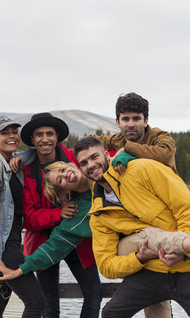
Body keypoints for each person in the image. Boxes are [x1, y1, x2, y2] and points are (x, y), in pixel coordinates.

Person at [0, 159, 190, 283]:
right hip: (139, 245)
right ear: (63, 192)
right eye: (60, 180)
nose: (65, 175)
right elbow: (51, 248)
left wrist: (124, 155)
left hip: (169, 228)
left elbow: (114, 148)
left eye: (62, 169)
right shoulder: (75, 215)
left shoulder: (104, 172)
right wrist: (19, 270)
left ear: (70, 164)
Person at [72, 136, 190, 318]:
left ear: (106, 155)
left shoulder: (143, 169)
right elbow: (106, 265)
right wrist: (139, 258)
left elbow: (186, 206)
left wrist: (182, 251)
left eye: (94, 157)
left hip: (187, 266)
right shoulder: (98, 213)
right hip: (151, 270)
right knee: (111, 313)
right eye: (84, 162)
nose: (91, 165)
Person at [96, 92, 177, 317]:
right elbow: (89, 146)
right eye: (125, 119)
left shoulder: (161, 137)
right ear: (118, 121)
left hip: (167, 216)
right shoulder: (117, 139)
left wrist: (127, 152)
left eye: (136, 118)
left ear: (146, 120)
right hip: (137, 223)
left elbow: (164, 153)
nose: (130, 124)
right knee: (147, 283)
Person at [16, 112, 102, 318]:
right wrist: (58, 213)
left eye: (49, 133)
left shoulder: (74, 157)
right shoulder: (25, 170)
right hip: (44, 241)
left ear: (57, 137)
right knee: (48, 303)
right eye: (39, 135)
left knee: (94, 294)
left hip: (78, 239)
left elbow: (102, 158)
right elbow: (27, 218)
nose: (45, 139)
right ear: (33, 140)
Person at [0, 116, 45, 318]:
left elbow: (34, 152)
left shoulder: (10, 162)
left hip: (11, 242)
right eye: (5, 133)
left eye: (14, 132)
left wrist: (19, 157)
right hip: (4, 248)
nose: (12, 136)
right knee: (36, 303)